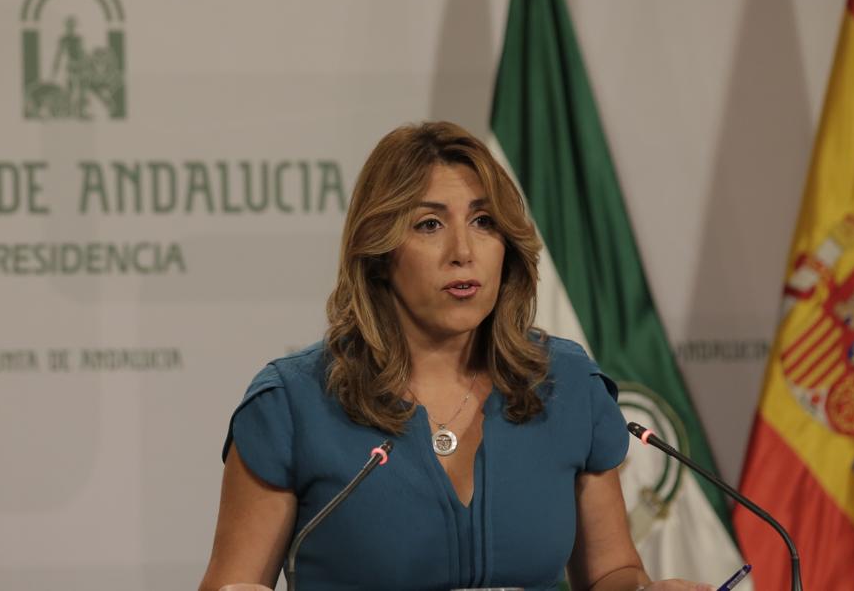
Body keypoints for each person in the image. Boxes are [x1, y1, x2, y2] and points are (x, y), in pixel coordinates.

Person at [199, 122, 709, 591]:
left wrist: (645, 590)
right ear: (378, 255)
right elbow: (234, 583)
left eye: (484, 221)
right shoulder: (293, 405)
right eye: (428, 225)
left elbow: (611, 572)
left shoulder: (566, 383)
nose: (463, 250)